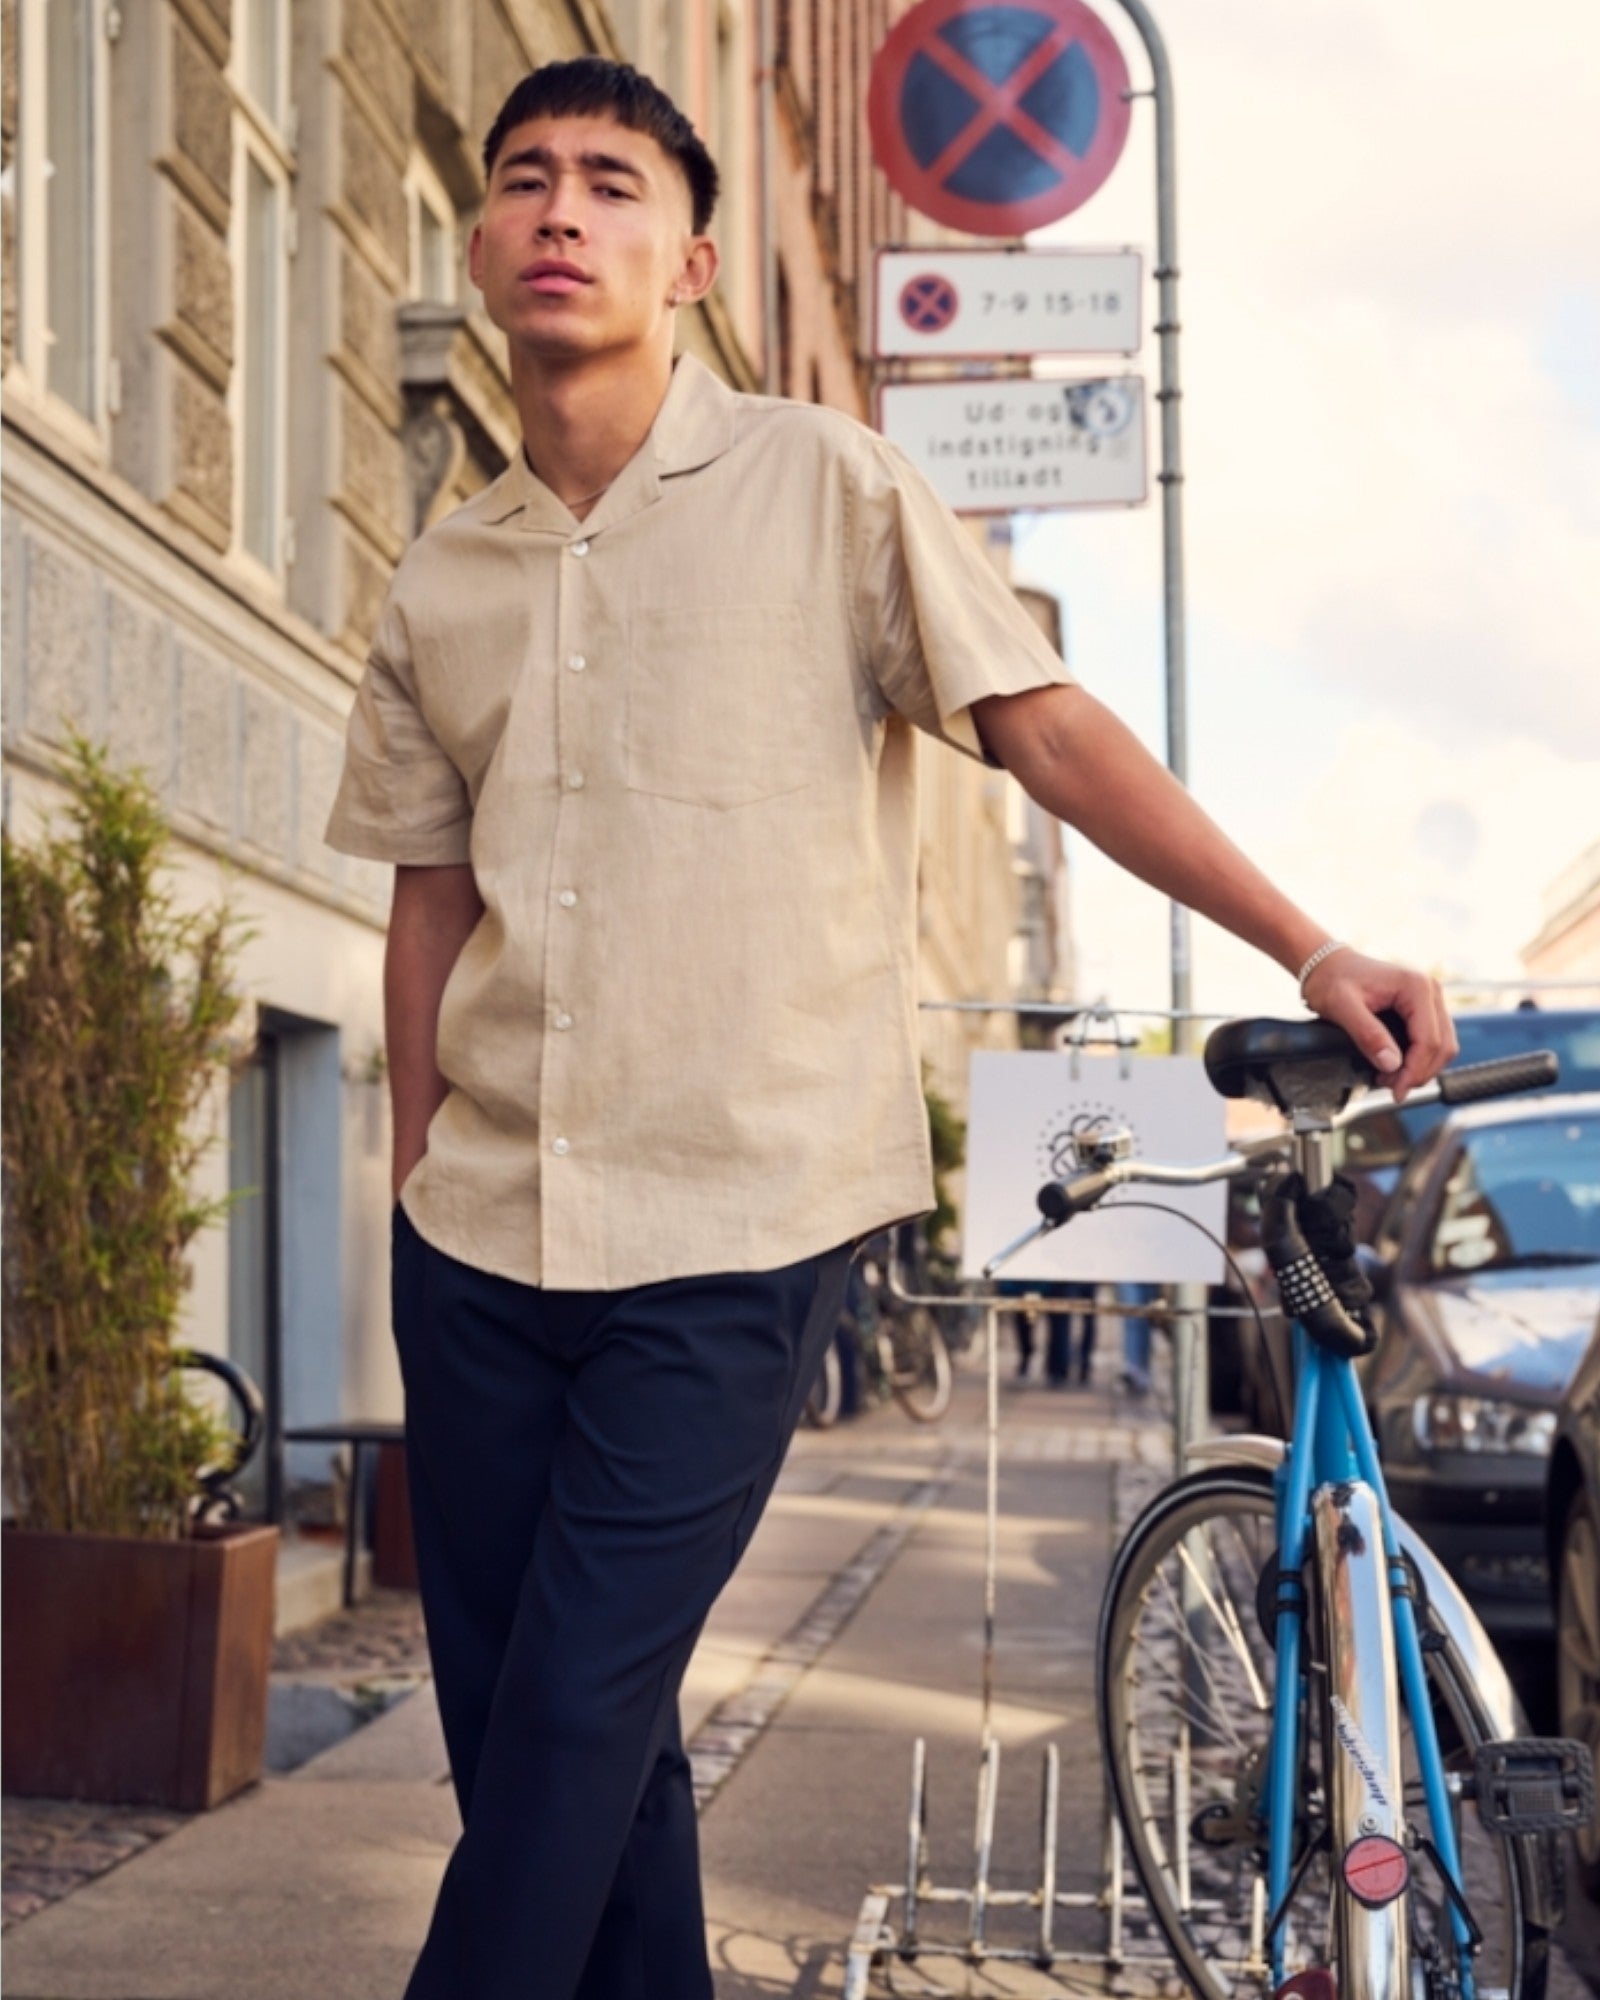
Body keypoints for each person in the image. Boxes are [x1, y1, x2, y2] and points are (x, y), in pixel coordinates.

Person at [324, 56, 1459, 2000]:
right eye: (524, 180)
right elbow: (430, 899)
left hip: (738, 1221)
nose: (559, 210)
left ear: (687, 257)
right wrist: (421, 1170)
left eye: (608, 181)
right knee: (546, 1726)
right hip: (483, 1236)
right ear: (483, 236)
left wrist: (1298, 942)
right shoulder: (445, 575)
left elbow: (1043, 727)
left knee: (573, 1721)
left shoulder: (822, 485)